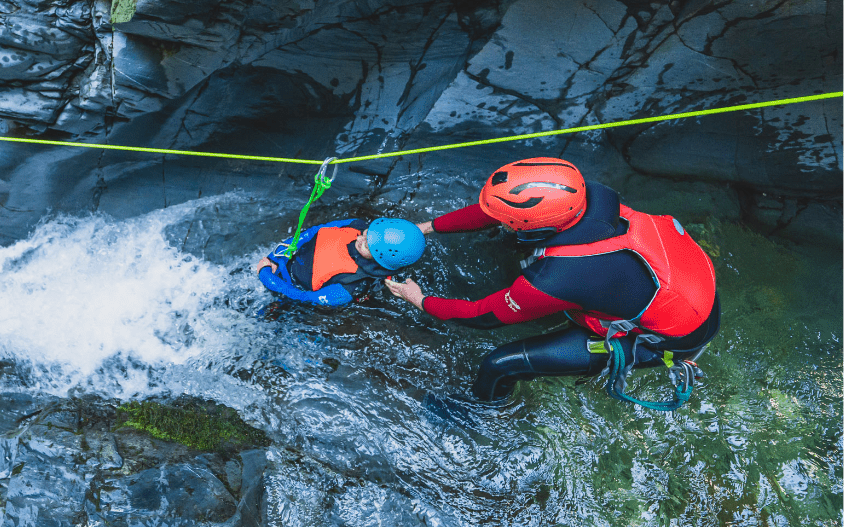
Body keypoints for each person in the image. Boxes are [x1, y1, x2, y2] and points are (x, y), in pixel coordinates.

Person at [386, 157, 720, 404]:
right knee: (512, 245)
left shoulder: (554, 279)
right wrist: (427, 227)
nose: (498, 221)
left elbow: (481, 317)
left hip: (669, 339)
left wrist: (417, 298)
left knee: (499, 363)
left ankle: (483, 417)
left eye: (510, 221)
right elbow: (493, 212)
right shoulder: (586, 196)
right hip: (683, 286)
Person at [257, 217, 427, 307]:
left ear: (381, 259)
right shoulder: (356, 225)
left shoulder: (350, 286)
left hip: (286, 288)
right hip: (281, 263)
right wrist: (280, 254)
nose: (359, 237)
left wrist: (269, 278)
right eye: (367, 232)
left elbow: (304, 297)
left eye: (367, 245)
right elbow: (316, 230)